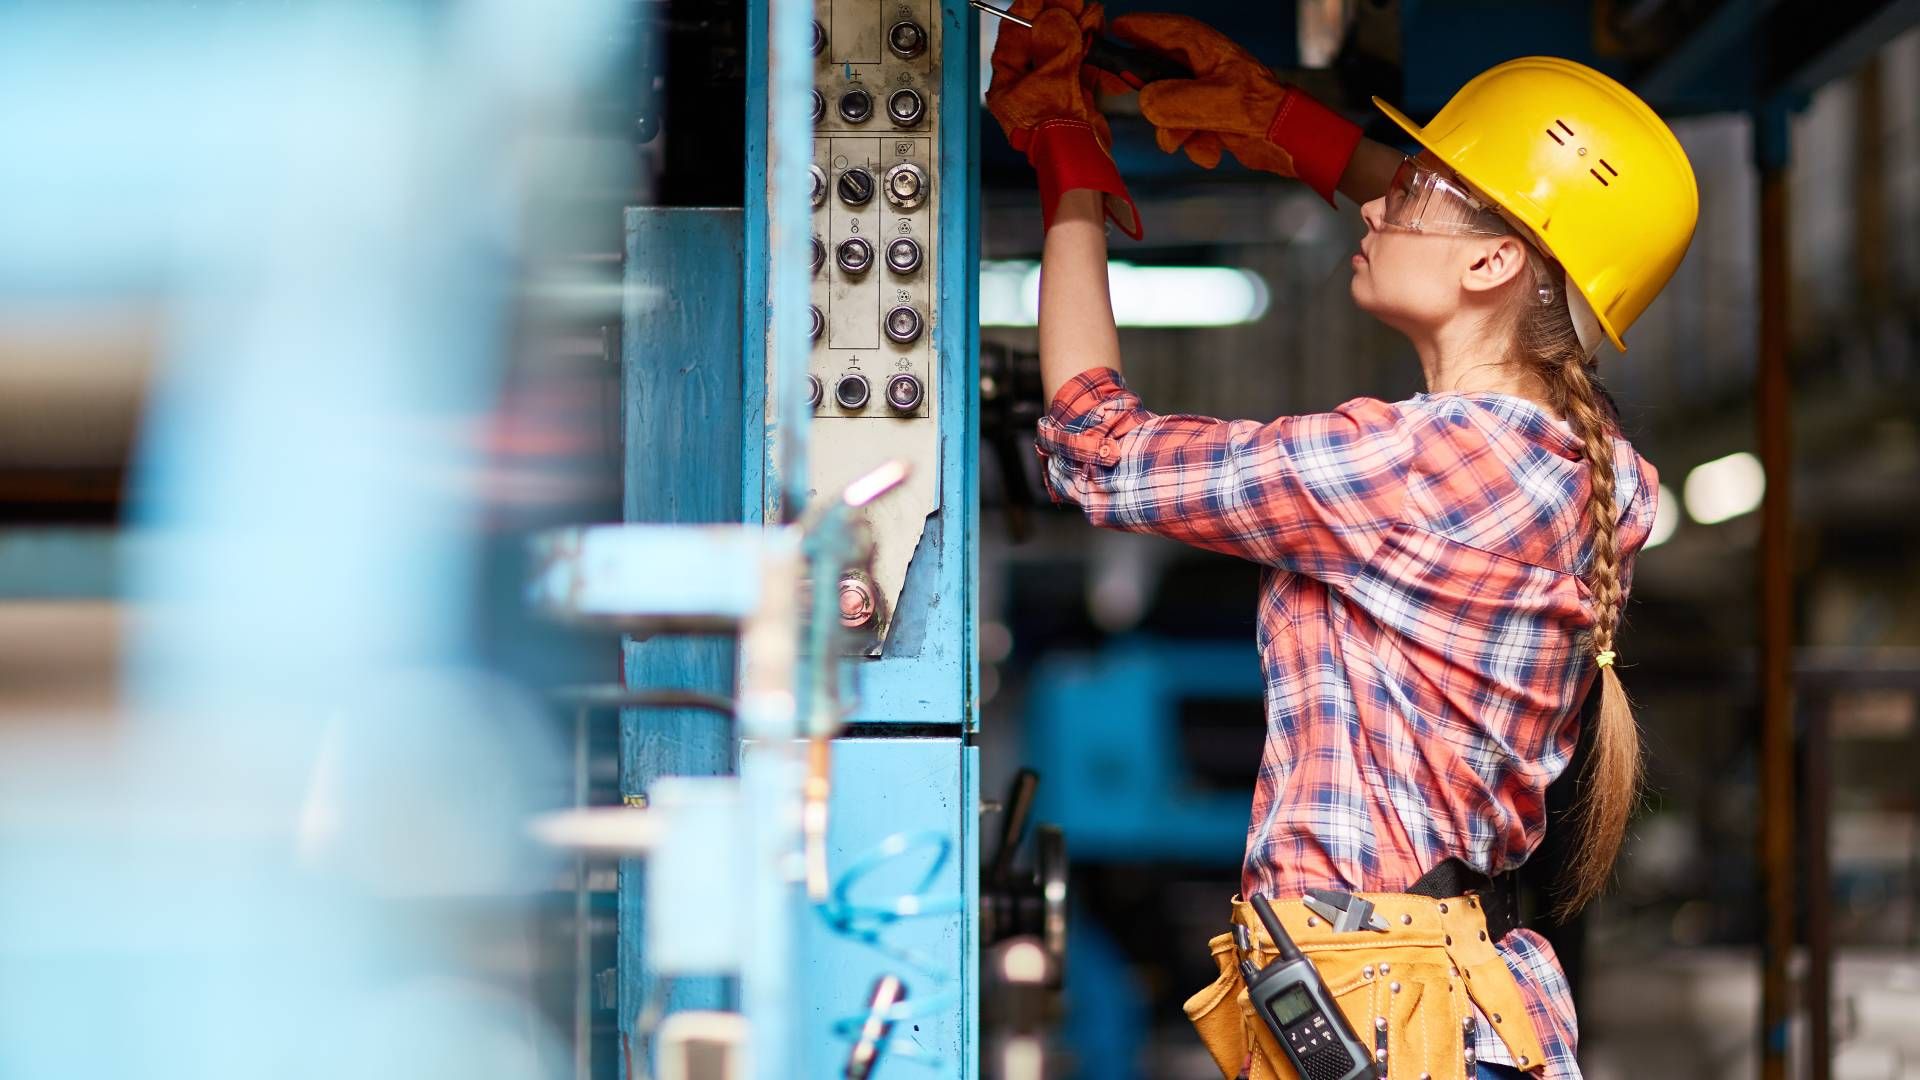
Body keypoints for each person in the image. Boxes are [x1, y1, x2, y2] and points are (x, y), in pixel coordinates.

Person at [986, 4, 1699, 1078]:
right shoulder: (1583, 464)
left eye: (1416, 190)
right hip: (1437, 990)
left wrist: (1067, 163)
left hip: (1378, 1001)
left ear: (1496, 263)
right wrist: (1277, 121)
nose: (1381, 204)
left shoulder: (1409, 466)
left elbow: (1097, 447)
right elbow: (1472, 235)